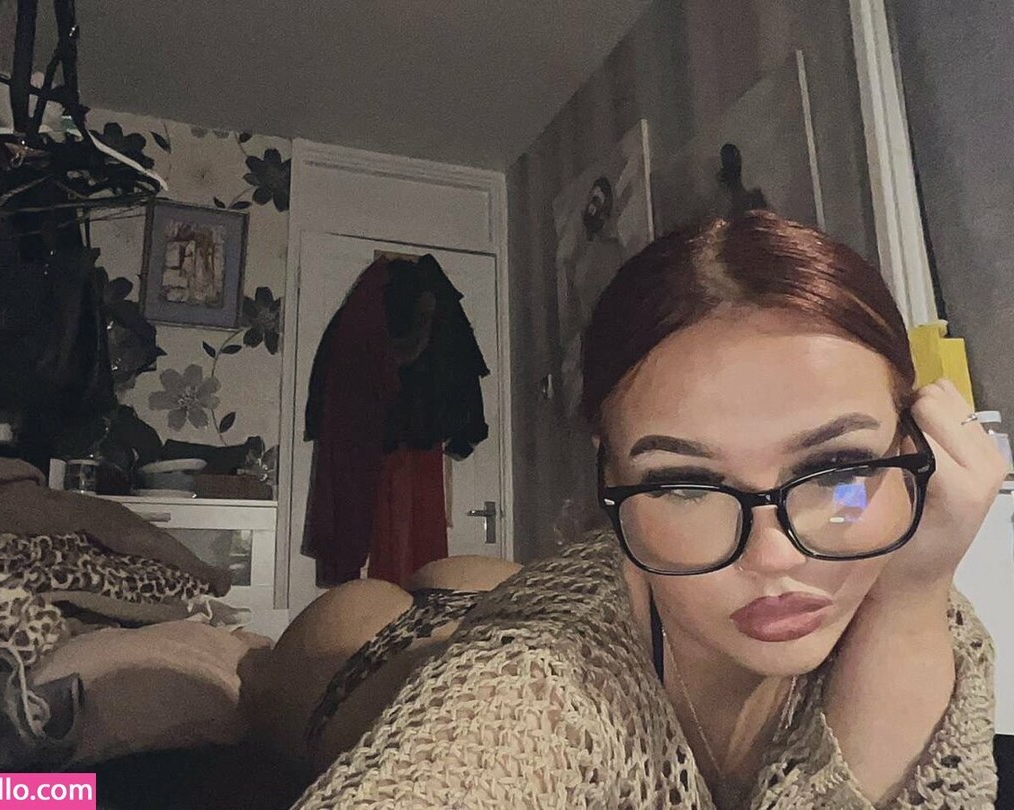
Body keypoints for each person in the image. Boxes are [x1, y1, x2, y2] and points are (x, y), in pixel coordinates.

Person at [291, 211, 1005, 808]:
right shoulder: (535, 683)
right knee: (258, 673)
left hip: (513, 585)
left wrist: (915, 591)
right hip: (364, 652)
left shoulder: (918, 582)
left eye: (836, 469)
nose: (775, 557)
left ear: (915, 440)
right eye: (685, 484)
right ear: (610, 472)